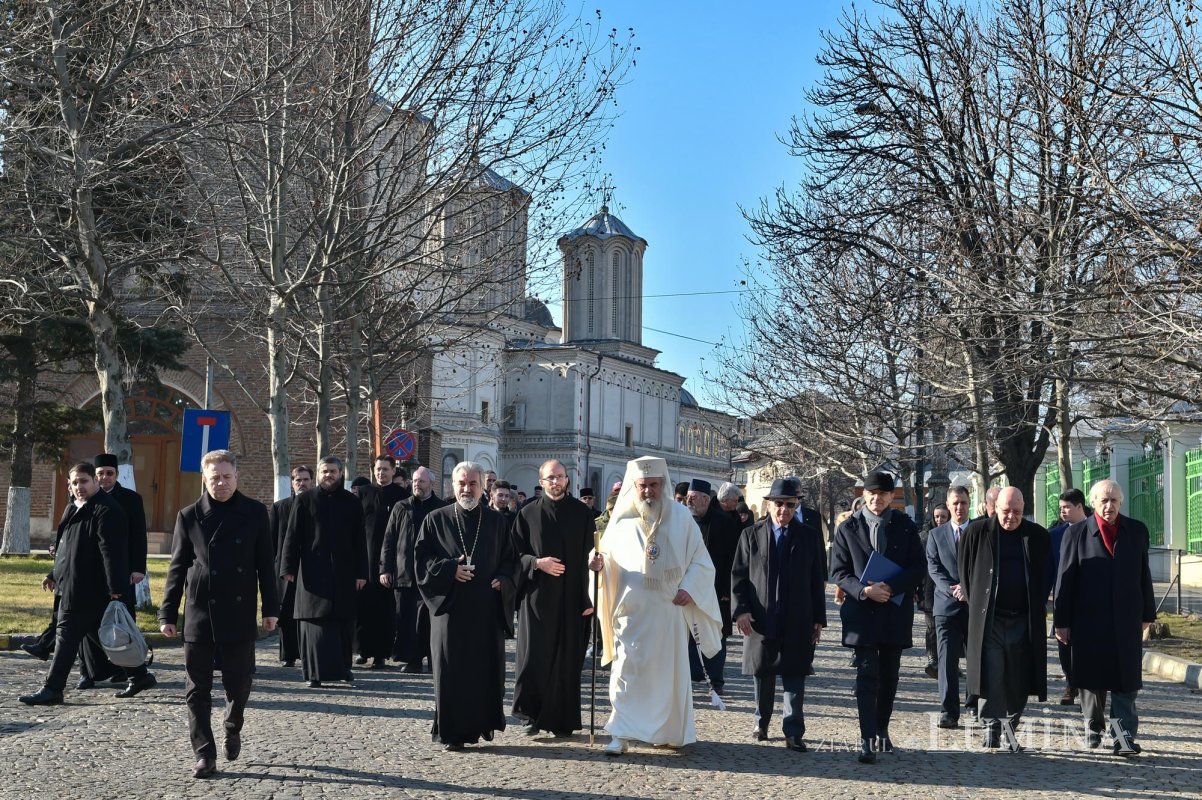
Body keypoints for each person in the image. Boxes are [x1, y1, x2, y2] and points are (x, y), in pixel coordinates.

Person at [589, 456, 722, 756]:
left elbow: (701, 560)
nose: (648, 491)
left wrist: (689, 588)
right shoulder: (621, 521)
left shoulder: (682, 517)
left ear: (663, 484)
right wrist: (595, 565)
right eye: (642, 485)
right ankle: (620, 734)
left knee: (667, 676)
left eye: (653, 485)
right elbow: (604, 559)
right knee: (626, 672)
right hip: (631, 611)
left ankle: (668, 731)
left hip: (668, 610)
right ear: (634, 486)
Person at [159, 449, 280, 779]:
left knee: (238, 683)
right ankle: (204, 753)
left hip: (239, 611)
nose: (222, 483)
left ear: (236, 477)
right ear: (204, 479)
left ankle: (232, 722)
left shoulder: (255, 513)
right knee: (196, 689)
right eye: (215, 478)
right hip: (200, 610)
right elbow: (177, 567)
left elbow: (265, 567)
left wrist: (271, 609)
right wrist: (167, 613)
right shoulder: (189, 516)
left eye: (227, 477)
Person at [19, 462, 153, 705]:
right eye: (74, 482)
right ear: (69, 486)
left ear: (94, 481)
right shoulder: (73, 508)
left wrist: (115, 590)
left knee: (66, 638)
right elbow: (66, 548)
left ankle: (52, 689)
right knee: (94, 636)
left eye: (84, 481)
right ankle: (140, 675)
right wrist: (53, 573)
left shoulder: (107, 510)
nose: (79, 486)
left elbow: (111, 553)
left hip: (90, 589)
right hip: (72, 584)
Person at [415, 461, 518, 751]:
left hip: (485, 610)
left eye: (473, 483)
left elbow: (511, 559)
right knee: (451, 671)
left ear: (483, 487)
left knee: (483, 672)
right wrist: (450, 571)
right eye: (461, 483)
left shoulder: (497, 522)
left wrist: (503, 578)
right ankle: (452, 733)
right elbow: (421, 560)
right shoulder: (436, 519)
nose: (466, 488)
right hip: (450, 609)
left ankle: (481, 725)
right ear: (452, 484)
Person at [829, 471, 924, 764]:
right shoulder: (848, 529)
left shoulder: (905, 526)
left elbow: (918, 567)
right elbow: (838, 571)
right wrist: (865, 590)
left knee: (890, 676)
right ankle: (866, 738)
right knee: (867, 674)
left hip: (894, 611)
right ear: (865, 494)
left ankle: (882, 728)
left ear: (890, 497)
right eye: (872, 493)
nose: (877, 499)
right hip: (862, 611)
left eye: (883, 494)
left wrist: (891, 587)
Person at [1055, 479, 1155, 755]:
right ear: (1094, 503)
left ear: (1121, 502)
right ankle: (1093, 726)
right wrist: (1061, 621)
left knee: (1125, 681)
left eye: (1113, 500)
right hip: (1088, 620)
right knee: (1091, 680)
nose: (1109, 505)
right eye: (1103, 500)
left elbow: (1143, 575)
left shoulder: (1136, 531)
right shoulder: (1076, 533)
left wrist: (1148, 613)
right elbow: (1064, 580)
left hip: (1126, 619)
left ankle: (1123, 738)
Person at [731, 477, 826, 751]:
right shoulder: (751, 535)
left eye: (789, 505)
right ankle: (761, 722)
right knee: (763, 671)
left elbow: (815, 579)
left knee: (795, 671)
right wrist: (741, 611)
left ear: (797, 506)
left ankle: (793, 730)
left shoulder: (808, 536)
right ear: (769, 505)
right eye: (779, 504)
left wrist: (818, 618)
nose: (783, 510)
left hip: (798, 616)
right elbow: (738, 576)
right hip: (761, 615)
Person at [960, 487, 1050, 750]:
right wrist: (977, 603)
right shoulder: (977, 532)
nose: (1011, 516)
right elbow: (965, 572)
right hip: (991, 619)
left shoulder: (1037, 536)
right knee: (993, 673)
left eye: (1017, 512)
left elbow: (1045, 575)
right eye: (1006, 510)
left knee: (1019, 677)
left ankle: (1011, 728)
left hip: (1024, 619)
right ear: (994, 507)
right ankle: (991, 727)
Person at [511, 459, 595, 738]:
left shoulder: (582, 513)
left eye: (560, 477)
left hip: (573, 599)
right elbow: (513, 556)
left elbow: (591, 554)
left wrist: (589, 594)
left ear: (567, 479)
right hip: (537, 599)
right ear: (541, 481)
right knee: (534, 657)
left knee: (567, 660)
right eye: (551, 478)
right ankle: (530, 716)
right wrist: (536, 563)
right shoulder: (527, 513)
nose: (556, 482)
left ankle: (562, 719)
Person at [281, 456, 367, 687]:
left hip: (344, 572)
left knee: (342, 625)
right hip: (311, 571)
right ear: (318, 474)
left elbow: (360, 541)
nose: (328, 475)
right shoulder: (305, 500)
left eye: (333, 471)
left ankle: (343, 670)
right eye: (324, 471)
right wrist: (288, 568)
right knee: (314, 625)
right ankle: (314, 675)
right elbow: (292, 537)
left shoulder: (351, 502)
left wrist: (361, 573)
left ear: (340, 474)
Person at [76, 453, 154, 693]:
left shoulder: (131, 499)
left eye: (109, 473)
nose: (105, 477)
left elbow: (139, 536)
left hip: (121, 571)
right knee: (85, 622)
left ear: (117, 475)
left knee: (120, 621)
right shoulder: (85, 497)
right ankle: (89, 671)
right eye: (100, 474)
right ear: (95, 478)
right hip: (90, 572)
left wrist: (138, 568)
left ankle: (124, 668)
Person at [380, 465, 446, 672]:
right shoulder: (402, 507)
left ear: (432, 484)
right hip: (404, 572)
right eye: (415, 481)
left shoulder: (441, 508)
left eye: (422, 481)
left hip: (431, 573)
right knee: (406, 619)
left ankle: (433, 659)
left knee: (428, 619)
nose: (417, 484)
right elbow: (389, 539)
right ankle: (412, 660)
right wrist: (385, 568)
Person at [684, 478, 740, 696]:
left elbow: (733, 559)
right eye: (688, 496)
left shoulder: (724, 523)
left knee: (716, 632)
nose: (689, 500)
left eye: (693, 497)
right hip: (688, 588)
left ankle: (716, 679)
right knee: (689, 631)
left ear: (706, 499)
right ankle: (692, 674)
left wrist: (728, 590)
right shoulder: (684, 522)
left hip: (717, 590)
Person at [355, 455, 406, 669]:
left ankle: (381, 654)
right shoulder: (364, 493)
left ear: (393, 471)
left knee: (384, 611)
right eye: (378, 469)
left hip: (389, 562)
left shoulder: (402, 497)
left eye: (385, 469)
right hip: (365, 559)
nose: (381, 473)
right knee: (363, 608)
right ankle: (362, 650)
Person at [926, 488, 971, 729]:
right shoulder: (936, 534)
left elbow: (987, 565)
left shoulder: (979, 531)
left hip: (975, 605)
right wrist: (954, 589)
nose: (959, 507)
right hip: (945, 605)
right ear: (948, 504)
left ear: (969, 502)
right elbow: (934, 567)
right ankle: (949, 711)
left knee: (976, 658)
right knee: (946, 661)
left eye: (963, 502)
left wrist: (969, 588)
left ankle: (974, 703)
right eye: (955, 503)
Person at [1049, 487, 1087, 706]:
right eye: (1061, 507)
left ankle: (1088, 686)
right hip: (1062, 596)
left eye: (1067, 507)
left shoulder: (1095, 528)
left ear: (1080, 506)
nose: (1062, 512)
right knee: (1063, 641)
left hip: (1089, 597)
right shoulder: (1055, 535)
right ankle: (1070, 683)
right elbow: (1049, 566)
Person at [270, 465, 312, 667]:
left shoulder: (316, 506)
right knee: (285, 614)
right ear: (292, 483)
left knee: (307, 614)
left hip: (309, 570)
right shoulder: (280, 507)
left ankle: (307, 653)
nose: (302, 483)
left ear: (312, 482)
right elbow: (271, 541)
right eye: (298, 480)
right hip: (284, 570)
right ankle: (288, 655)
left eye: (305, 479)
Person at [917, 502, 949, 680]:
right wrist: (917, 588)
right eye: (936, 516)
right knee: (931, 627)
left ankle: (949, 661)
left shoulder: (952, 535)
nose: (939, 520)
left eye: (943, 517)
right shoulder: (924, 537)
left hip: (947, 588)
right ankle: (932, 658)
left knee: (948, 627)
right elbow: (919, 564)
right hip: (927, 587)